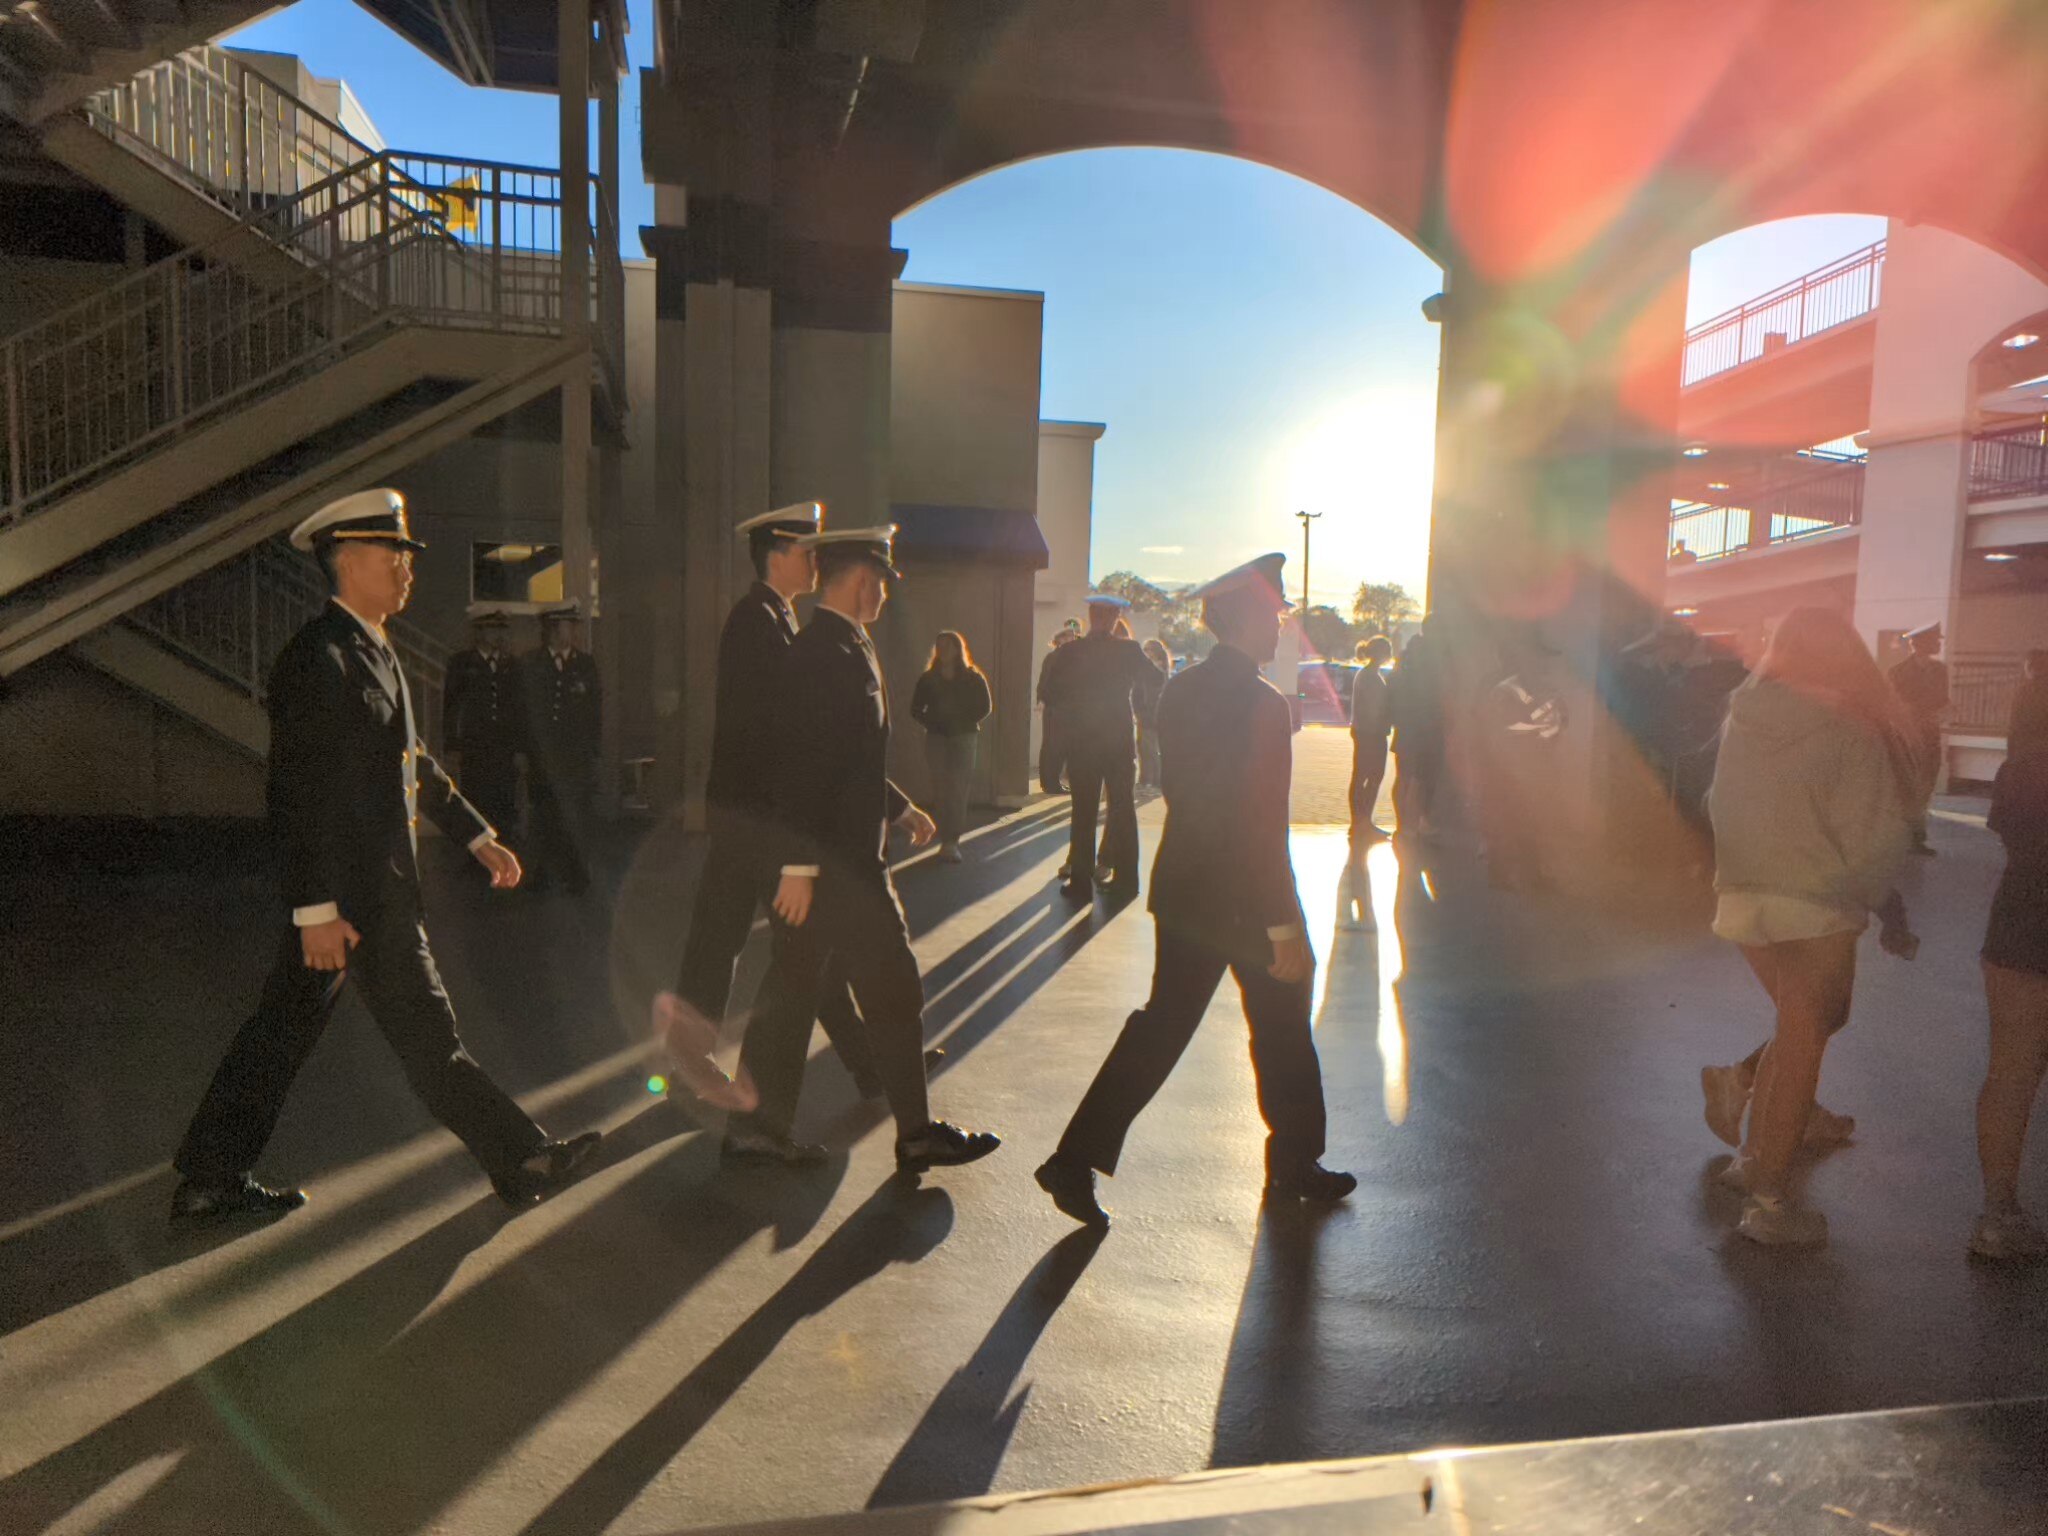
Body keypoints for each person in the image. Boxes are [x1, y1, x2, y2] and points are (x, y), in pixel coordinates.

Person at [169, 490, 599, 1222]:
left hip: (361, 896)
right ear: (347, 559)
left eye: (405, 555)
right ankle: (521, 1157)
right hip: (354, 900)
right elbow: (295, 793)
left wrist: (472, 831)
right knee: (429, 1039)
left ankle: (210, 1176)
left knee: (281, 1034)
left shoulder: (369, 648)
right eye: (393, 553)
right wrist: (313, 911)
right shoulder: (318, 659)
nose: (407, 568)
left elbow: (410, 759)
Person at [1034, 552, 1355, 1228]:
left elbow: (1186, 791)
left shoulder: (1181, 691)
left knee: (1164, 1025)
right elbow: (1260, 822)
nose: (1280, 628)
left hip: (1184, 887)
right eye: (1274, 615)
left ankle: (1074, 1158)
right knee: (1283, 1021)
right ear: (1248, 621)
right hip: (1243, 897)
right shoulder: (1265, 706)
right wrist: (1283, 922)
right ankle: (1295, 1161)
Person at [735, 525, 1001, 1174]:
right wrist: (797, 869)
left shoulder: (848, 645)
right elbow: (799, 766)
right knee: (891, 986)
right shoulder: (820, 655)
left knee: (795, 993)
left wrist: (900, 804)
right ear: (860, 582)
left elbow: (849, 760)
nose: (884, 593)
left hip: (841, 861)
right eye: (881, 582)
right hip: (836, 868)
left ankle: (755, 1134)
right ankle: (913, 1133)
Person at [1699, 608, 1919, 1247]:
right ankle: (1769, 1201)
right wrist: (1887, 905)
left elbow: (1716, 802)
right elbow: (1873, 832)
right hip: (1815, 903)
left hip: (1743, 897)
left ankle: (1752, 1162)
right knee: (1804, 1042)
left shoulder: (1745, 713)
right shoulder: (1851, 725)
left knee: (1803, 1029)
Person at [659, 503, 884, 1120]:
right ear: (777, 554)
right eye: (807, 550)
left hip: (757, 816)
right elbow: (779, 736)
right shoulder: (755, 623)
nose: (817, 561)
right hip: (756, 818)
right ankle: (861, 1068)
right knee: (763, 944)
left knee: (772, 944)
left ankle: (872, 1063)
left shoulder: (775, 619)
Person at [1974, 734, 2048, 1260]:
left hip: (2020, 920)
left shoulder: (2024, 764)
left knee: (2011, 1072)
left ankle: (1998, 1215)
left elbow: (2004, 826)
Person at [1039, 594, 1162, 897]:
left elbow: (1049, 692)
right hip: (1118, 740)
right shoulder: (1129, 651)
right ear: (1115, 617)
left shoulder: (1070, 652)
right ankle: (1126, 881)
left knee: (1084, 813)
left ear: (1092, 615)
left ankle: (1080, 881)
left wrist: (1073, 712)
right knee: (1122, 811)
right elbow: (1157, 678)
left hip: (1083, 742)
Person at [521, 603, 601, 893]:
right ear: (552, 629)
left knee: (576, 814)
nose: (571, 632)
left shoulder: (585, 665)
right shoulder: (532, 663)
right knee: (544, 813)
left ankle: (576, 872)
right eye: (566, 626)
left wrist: (593, 751)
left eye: (572, 626)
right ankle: (541, 872)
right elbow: (524, 711)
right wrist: (524, 751)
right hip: (543, 756)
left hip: (575, 757)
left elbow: (594, 712)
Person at [442, 607, 524, 851]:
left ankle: (505, 846)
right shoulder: (462, 663)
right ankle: (475, 852)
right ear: (478, 631)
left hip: (504, 745)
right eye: (490, 629)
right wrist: (452, 745)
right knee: (476, 797)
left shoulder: (511, 665)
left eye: (499, 629)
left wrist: (520, 747)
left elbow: (518, 709)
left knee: (504, 797)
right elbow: (452, 706)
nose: (495, 635)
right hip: (475, 745)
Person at [910, 630, 992, 862]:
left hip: (964, 737)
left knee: (958, 789)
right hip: (937, 738)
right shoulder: (928, 679)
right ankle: (943, 836)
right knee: (941, 788)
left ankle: (951, 841)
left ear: (958, 649)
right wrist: (932, 722)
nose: (943, 650)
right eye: (939, 645)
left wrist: (965, 721)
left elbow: (985, 706)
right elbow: (915, 709)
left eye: (948, 645)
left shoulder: (972, 677)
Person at [1888, 621, 1949, 856]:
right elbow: (1893, 705)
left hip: (1929, 736)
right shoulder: (1898, 672)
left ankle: (1915, 838)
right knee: (1905, 788)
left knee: (1925, 788)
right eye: (1934, 641)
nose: (1937, 644)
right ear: (1918, 644)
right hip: (1906, 738)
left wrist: (1941, 713)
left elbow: (1942, 700)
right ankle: (1903, 837)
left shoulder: (1939, 670)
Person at [1390, 628, 1445, 838]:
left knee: (1402, 778)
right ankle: (1416, 823)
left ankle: (1402, 823)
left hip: (1403, 732)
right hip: (1422, 733)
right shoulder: (1426, 679)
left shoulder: (1399, 675)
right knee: (1418, 780)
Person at [1348, 635, 1394, 841]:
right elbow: (1376, 708)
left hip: (1362, 731)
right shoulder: (1372, 678)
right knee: (1372, 776)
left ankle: (1359, 822)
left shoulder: (1365, 675)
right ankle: (1363, 821)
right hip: (1372, 733)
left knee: (1361, 775)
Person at [1038, 628, 1077, 798]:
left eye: (1073, 637)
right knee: (1055, 747)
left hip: (1055, 707)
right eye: (1068, 637)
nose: (1071, 640)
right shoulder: (1060, 657)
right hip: (1058, 708)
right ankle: (1051, 784)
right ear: (1059, 639)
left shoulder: (1055, 657)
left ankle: (1051, 783)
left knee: (1053, 746)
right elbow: (1048, 683)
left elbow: (1043, 683)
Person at [1137, 638, 1173, 790]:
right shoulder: (1150, 668)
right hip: (1144, 713)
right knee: (1143, 747)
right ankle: (1146, 778)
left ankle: (1154, 780)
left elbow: (1154, 694)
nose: (1146, 653)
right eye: (1145, 650)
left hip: (1152, 713)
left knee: (1150, 748)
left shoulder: (1158, 669)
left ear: (1157, 652)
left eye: (1149, 649)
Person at [2006, 649, 2048, 765]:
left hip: (2025, 754)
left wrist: (2011, 758)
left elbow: (2014, 728)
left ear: (2029, 666)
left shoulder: (2022, 693)